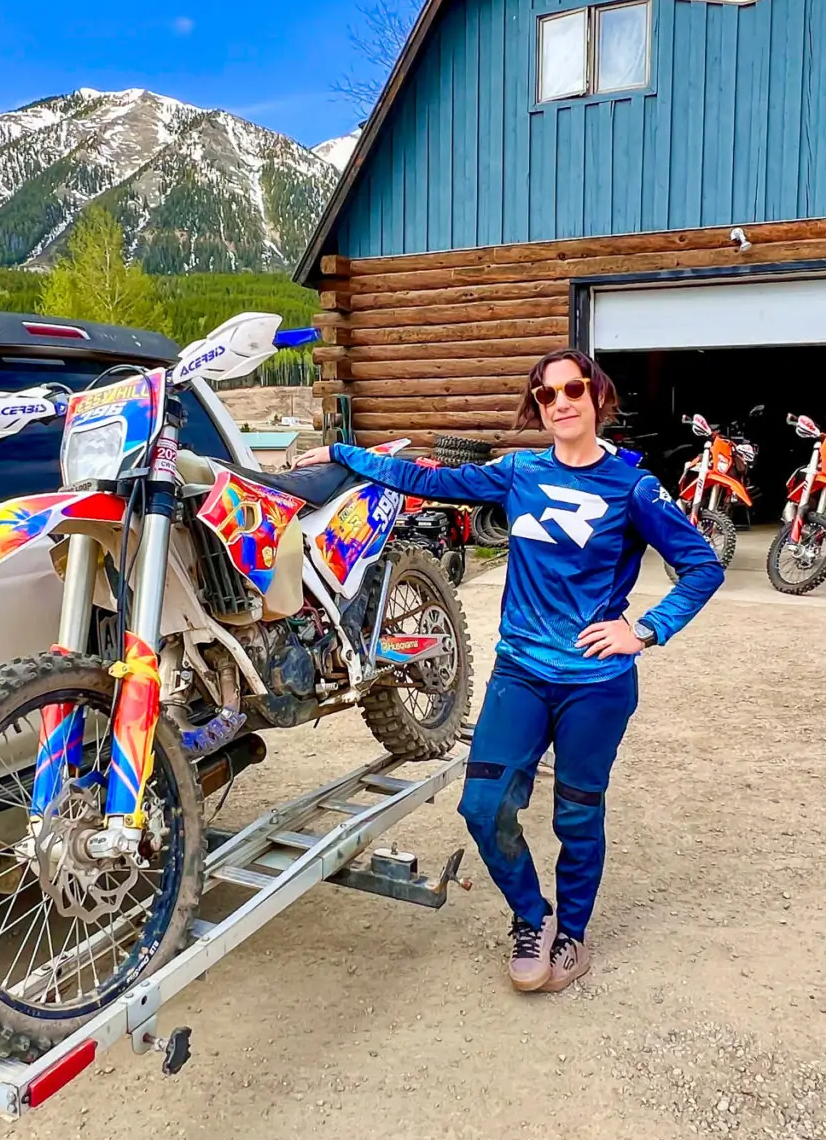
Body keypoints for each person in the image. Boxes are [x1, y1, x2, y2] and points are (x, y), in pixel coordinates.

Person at [296, 348, 724, 993]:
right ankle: (532, 917)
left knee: (576, 816)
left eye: (573, 389)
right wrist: (342, 454)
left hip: (595, 685)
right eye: (547, 395)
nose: (561, 403)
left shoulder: (634, 488)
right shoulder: (519, 472)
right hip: (520, 672)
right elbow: (427, 481)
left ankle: (572, 935)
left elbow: (702, 566)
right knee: (483, 805)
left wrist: (643, 630)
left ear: (598, 397)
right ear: (538, 407)